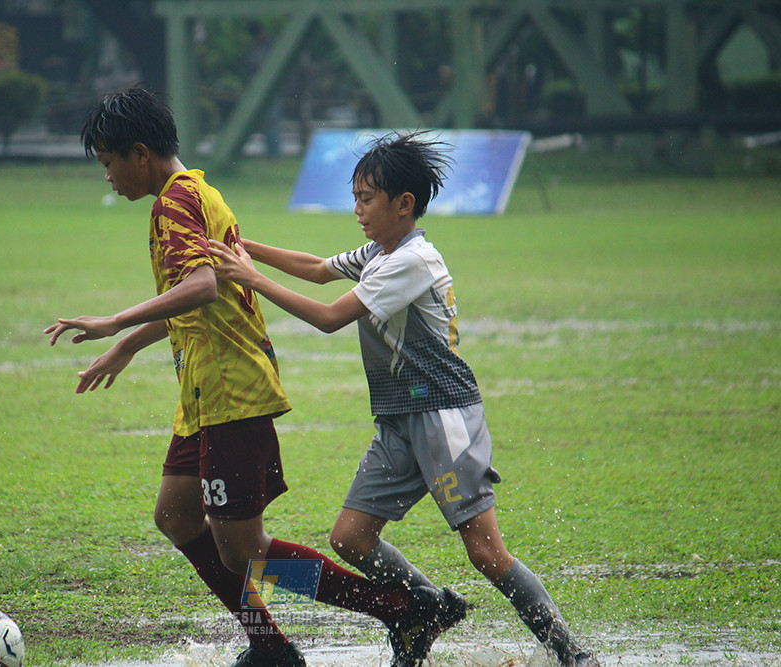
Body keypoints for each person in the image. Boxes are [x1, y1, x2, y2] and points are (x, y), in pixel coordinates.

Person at [44, 87, 462, 667]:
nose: (109, 177)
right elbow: (193, 301)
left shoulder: (175, 203)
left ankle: (398, 607)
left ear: (140, 154)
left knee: (245, 550)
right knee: (175, 515)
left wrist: (115, 321)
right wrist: (128, 346)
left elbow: (201, 286)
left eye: (109, 163)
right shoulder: (198, 192)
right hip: (203, 393)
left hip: (231, 391)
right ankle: (270, 647)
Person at [208, 131, 601, 667]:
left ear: (404, 204)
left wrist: (249, 276)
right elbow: (318, 268)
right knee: (350, 538)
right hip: (398, 419)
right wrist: (243, 247)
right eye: (354, 197)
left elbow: (327, 317)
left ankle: (572, 652)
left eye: (365, 199)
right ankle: (425, 606)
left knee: (485, 553)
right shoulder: (380, 251)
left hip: (442, 416)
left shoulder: (411, 261)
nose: (357, 210)